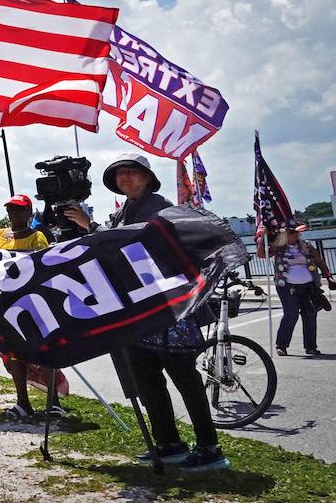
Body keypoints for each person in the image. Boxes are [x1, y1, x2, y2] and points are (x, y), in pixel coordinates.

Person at [65, 154, 227, 472]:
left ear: (147, 178)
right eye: (120, 174)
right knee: (147, 377)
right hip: (142, 311)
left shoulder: (158, 206)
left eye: (132, 172)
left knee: (184, 377)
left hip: (169, 309)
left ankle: (209, 447)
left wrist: (91, 226)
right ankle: (169, 442)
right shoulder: (126, 208)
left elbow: (131, 241)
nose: (125, 177)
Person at [0, 195, 56, 422]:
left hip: (31, 301)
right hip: (4, 302)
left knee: (43, 350)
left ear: (29, 213)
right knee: (11, 355)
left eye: (19, 210)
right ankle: (23, 402)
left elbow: (43, 262)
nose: (14, 215)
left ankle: (54, 402)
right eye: (10, 210)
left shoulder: (37, 237)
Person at [271, 224, 336, 357]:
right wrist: (261, 238)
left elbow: (319, 261)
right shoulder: (278, 248)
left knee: (310, 314)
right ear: (285, 235)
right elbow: (261, 254)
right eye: (293, 233)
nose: (296, 236)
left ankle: (310, 347)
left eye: (297, 233)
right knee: (291, 314)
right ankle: (281, 345)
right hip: (287, 286)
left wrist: (329, 277)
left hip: (308, 286)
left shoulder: (306, 246)